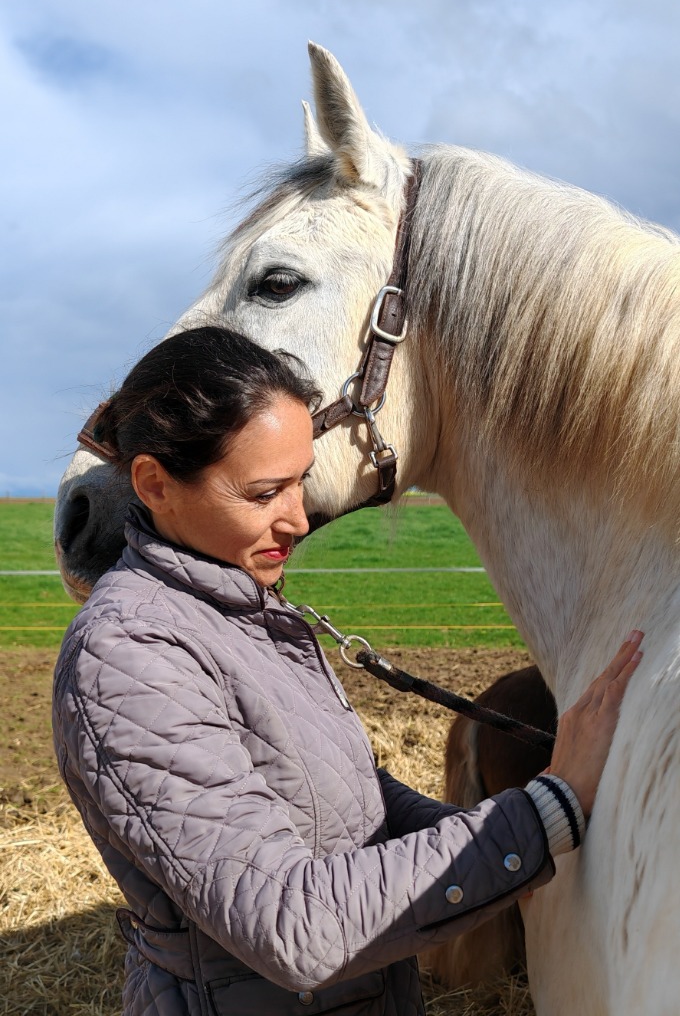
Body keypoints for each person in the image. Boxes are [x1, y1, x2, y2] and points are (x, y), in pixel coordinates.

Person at [53, 326, 643, 1016]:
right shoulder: (127, 656)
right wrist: (547, 810)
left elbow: (350, 800)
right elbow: (292, 928)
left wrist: (502, 838)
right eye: (263, 493)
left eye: (300, 482)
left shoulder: (237, 608)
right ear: (155, 484)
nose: (298, 520)